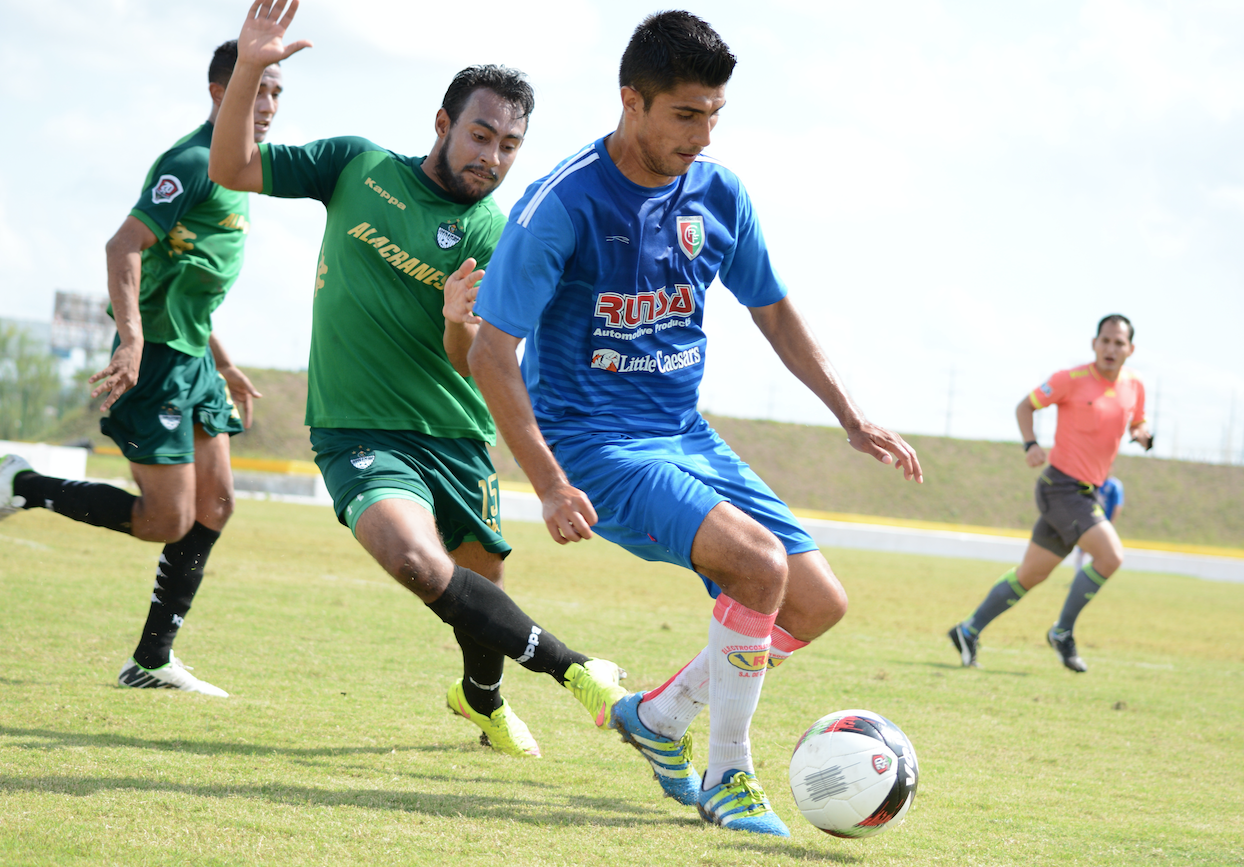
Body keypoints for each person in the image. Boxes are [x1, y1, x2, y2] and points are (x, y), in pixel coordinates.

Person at [468, 10, 922, 836]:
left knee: (816, 600)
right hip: (594, 445)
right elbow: (493, 352)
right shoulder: (563, 203)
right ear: (630, 100)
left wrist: (850, 415)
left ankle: (659, 716)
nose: (703, 136)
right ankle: (729, 776)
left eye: (715, 114)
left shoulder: (718, 194)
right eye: (686, 114)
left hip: (684, 432)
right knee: (757, 565)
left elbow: (774, 310)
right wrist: (548, 479)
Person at [205, 0, 627, 759]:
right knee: (415, 563)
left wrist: (457, 319)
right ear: (443, 123)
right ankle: (580, 673)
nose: (491, 157)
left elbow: (475, 360)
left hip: (458, 436)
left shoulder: (502, 236)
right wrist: (249, 69)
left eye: (509, 145)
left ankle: (481, 699)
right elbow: (231, 166)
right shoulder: (356, 166)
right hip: (359, 430)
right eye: (480, 135)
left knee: (480, 593)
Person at [0, 39, 283, 697]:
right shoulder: (189, 163)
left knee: (217, 503)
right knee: (166, 519)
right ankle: (25, 482)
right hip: (154, 360)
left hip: (194, 361)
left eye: (276, 94)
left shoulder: (239, 171)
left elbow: (183, 282)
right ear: (222, 92)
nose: (267, 104)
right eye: (257, 90)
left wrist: (228, 365)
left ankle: (153, 658)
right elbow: (124, 246)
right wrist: (129, 338)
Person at [949, 315, 1150, 673]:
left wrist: (1143, 432)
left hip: (1089, 494)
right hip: (1061, 488)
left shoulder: (1135, 385)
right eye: (1105, 340)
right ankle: (1062, 632)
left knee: (1030, 574)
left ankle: (968, 630)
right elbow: (1024, 406)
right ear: (1094, 343)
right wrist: (1031, 444)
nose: (1111, 348)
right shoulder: (1069, 380)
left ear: (1130, 349)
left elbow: (1137, 420)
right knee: (1111, 557)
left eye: (1119, 343)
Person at [1072, 474, 1123, 571]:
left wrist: (1111, 522)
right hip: (1090, 523)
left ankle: (1088, 580)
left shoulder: (1114, 485)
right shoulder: (1094, 481)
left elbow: (1117, 505)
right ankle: (1079, 578)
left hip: (1104, 524)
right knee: (1081, 553)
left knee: (1101, 555)